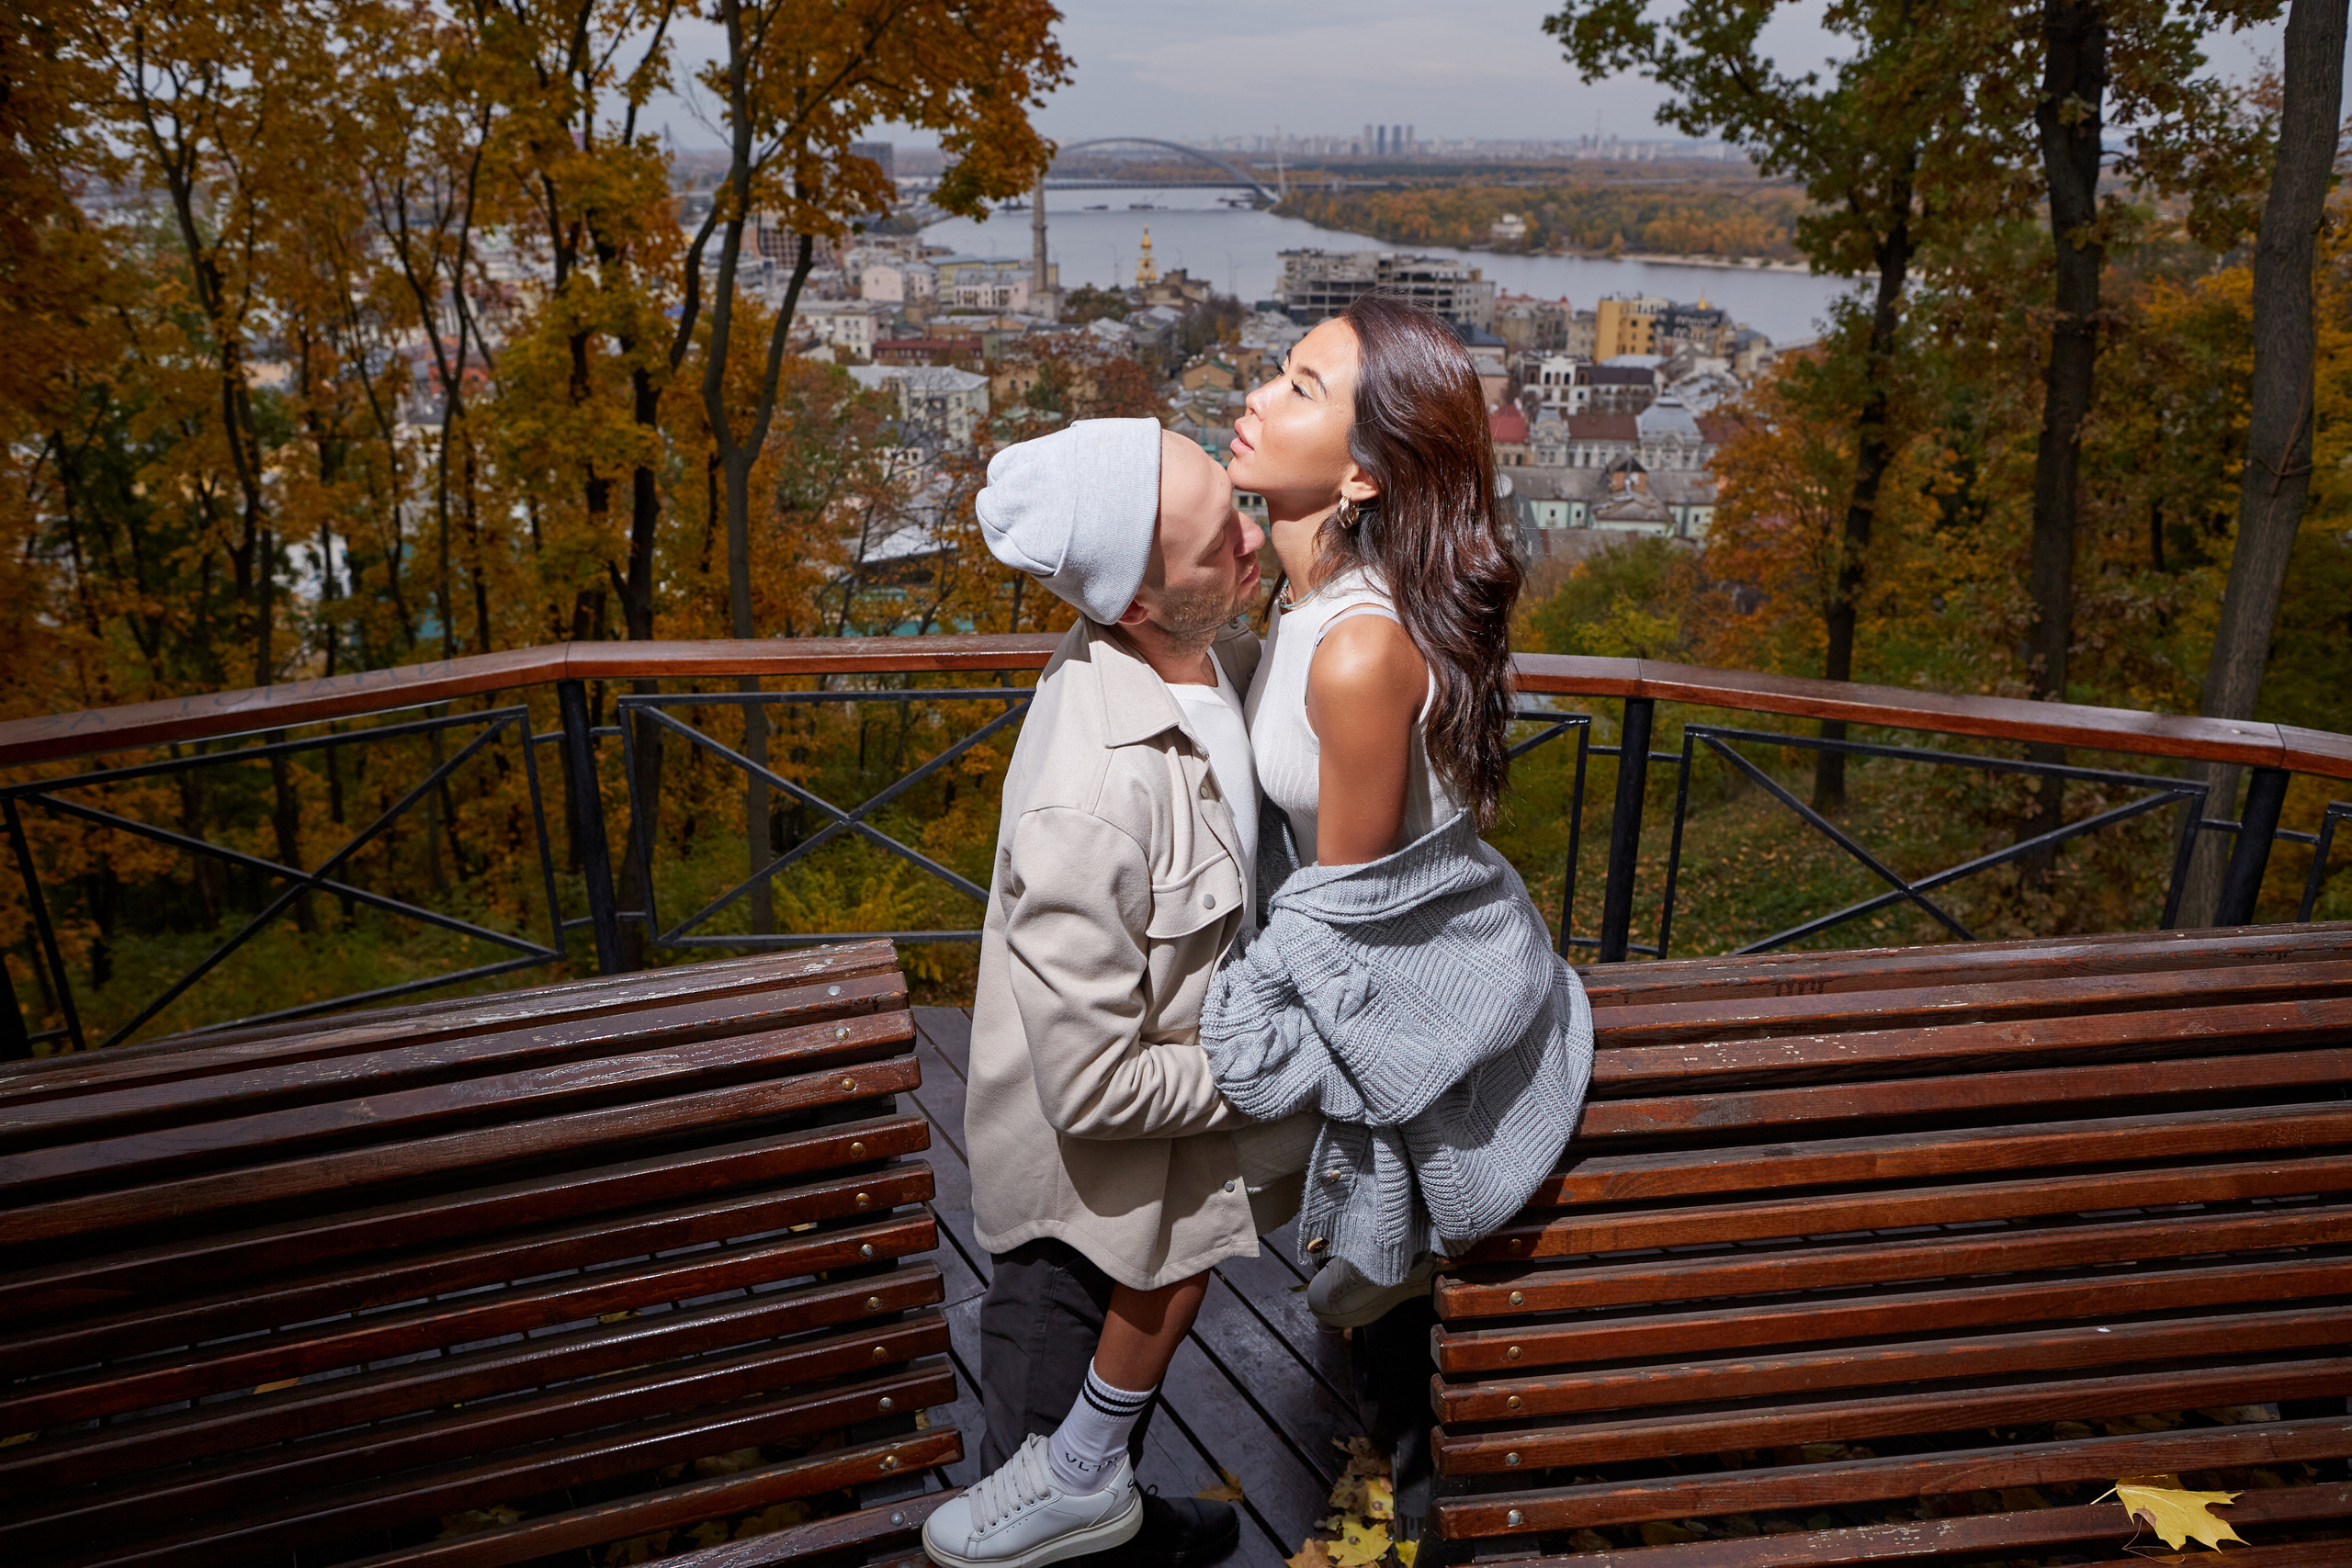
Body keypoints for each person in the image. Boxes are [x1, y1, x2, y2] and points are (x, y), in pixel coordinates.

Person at [923, 418, 1303, 1568]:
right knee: (1037, 1498)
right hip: (1081, 1221)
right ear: (1137, 603)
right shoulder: (1089, 801)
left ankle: (1121, 1522)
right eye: (1218, 540)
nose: (1251, 539)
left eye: (1237, 507)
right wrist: (1283, 1062)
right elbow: (1093, 1089)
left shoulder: (1205, 656)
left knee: (1092, 1473)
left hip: (1162, 1182)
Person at [1205, 290, 1593, 1329]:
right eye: (1280, 370)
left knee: (1156, 1170)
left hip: (1418, 993)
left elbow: (1349, 920)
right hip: (1366, 966)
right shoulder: (1304, 602)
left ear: (1362, 475)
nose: (1258, 396)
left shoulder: (1358, 650)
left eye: (1301, 388)